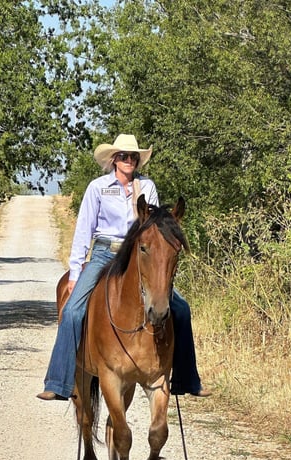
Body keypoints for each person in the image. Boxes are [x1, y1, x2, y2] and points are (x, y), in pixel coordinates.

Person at [37, 134, 210, 401]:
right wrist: (74, 273)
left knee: (181, 308)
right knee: (72, 310)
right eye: (124, 156)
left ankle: (187, 379)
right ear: (114, 159)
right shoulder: (97, 187)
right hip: (105, 253)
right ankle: (59, 381)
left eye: (133, 157)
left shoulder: (147, 187)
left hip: (138, 255)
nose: (129, 160)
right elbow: (84, 229)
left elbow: (155, 228)